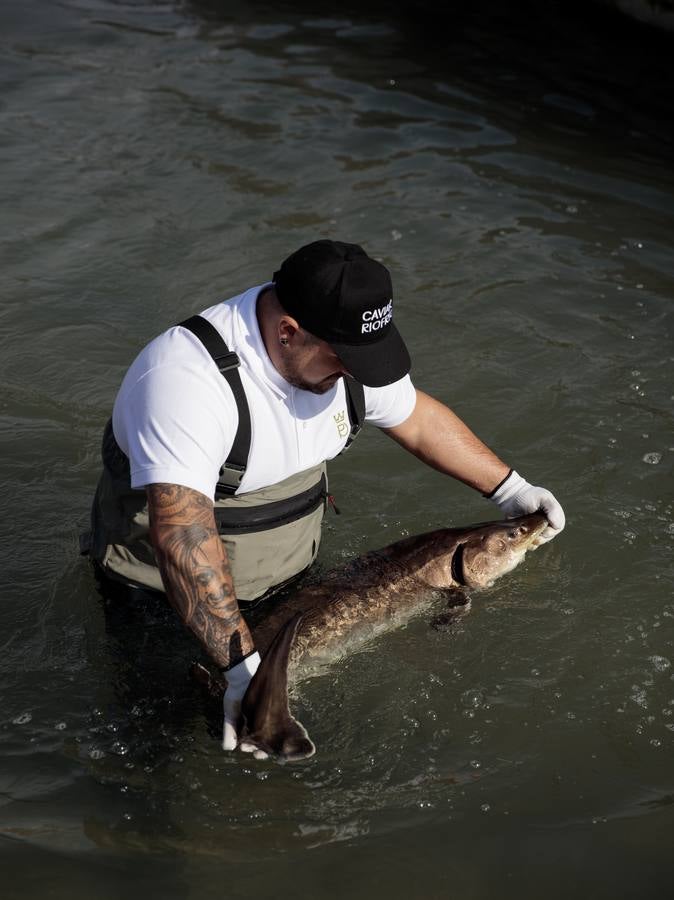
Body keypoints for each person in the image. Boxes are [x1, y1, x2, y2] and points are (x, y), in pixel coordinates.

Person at [84, 239, 565, 752]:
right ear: (288, 332)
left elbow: (418, 419)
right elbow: (182, 534)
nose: (358, 374)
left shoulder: (345, 354)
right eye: (346, 360)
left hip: (288, 576)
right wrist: (239, 666)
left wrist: (512, 489)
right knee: (160, 741)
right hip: (166, 594)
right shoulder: (186, 382)